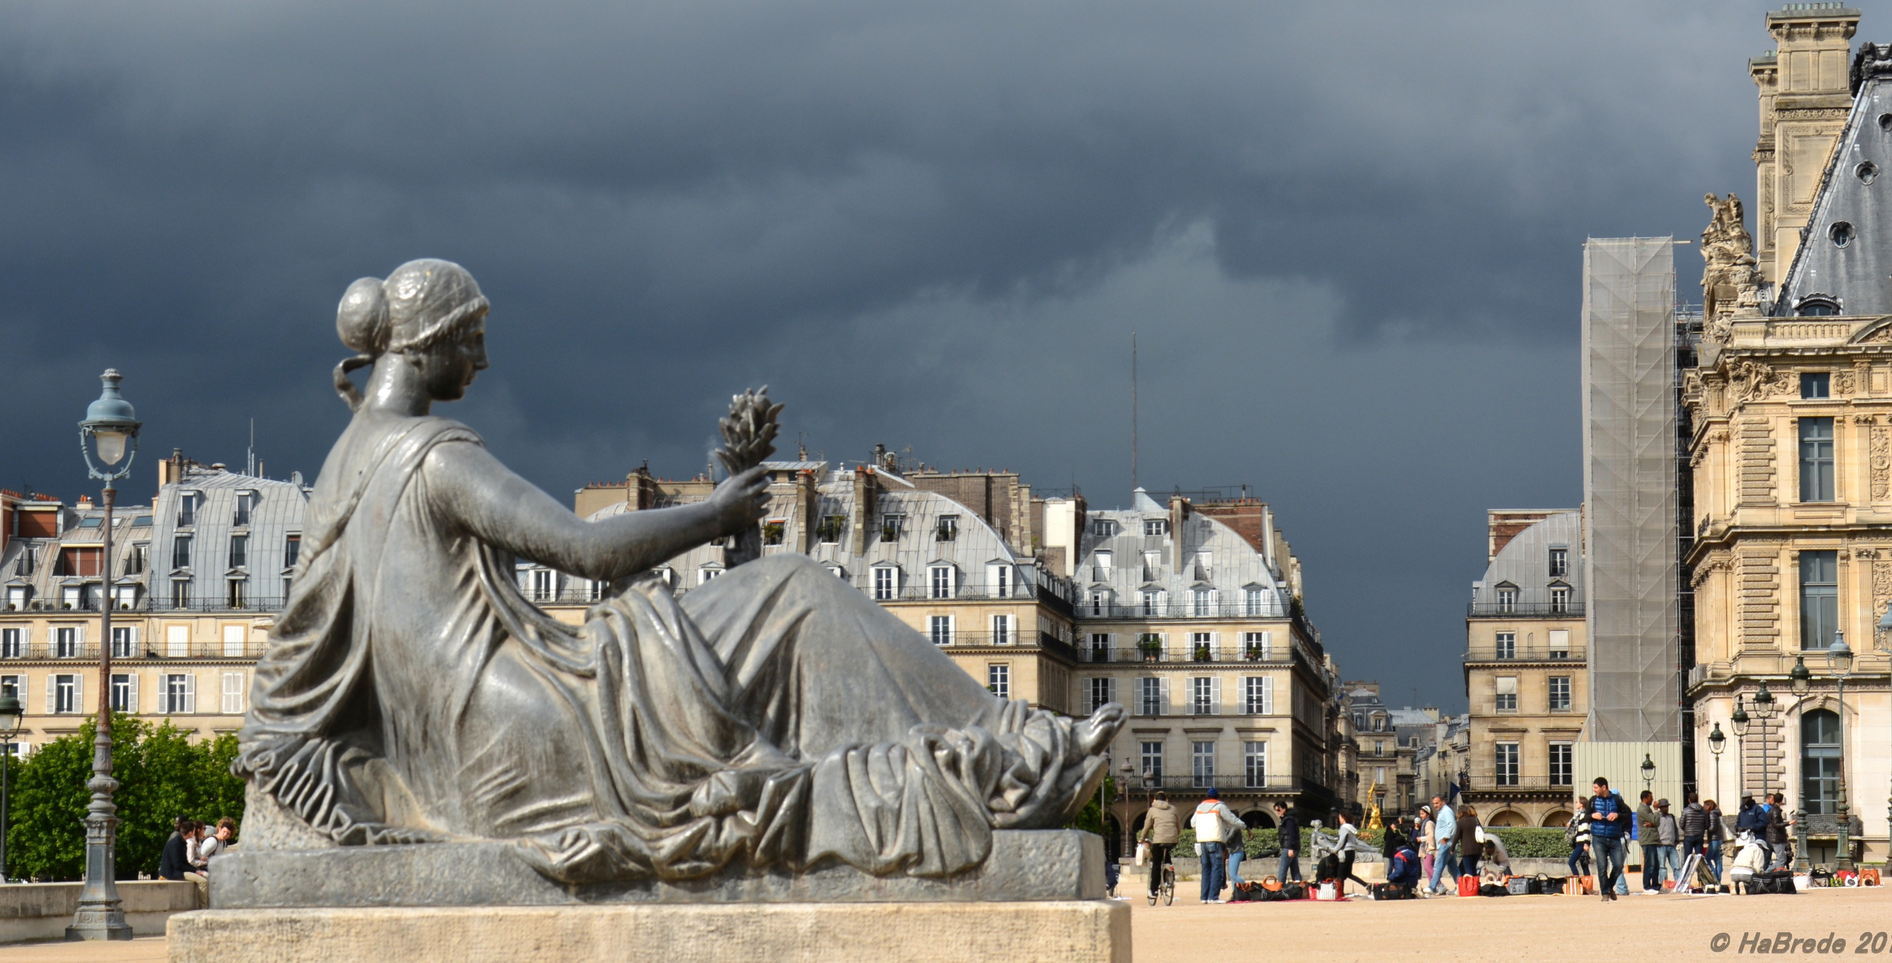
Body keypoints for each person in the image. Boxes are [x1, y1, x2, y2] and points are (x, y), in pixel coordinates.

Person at [234, 262, 1124, 885]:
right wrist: (717, 513)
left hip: (470, 738)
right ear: (426, 345)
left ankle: (1003, 746)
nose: (484, 359)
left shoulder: (350, 459)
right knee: (798, 593)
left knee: (772, 603)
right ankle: (1015, 748)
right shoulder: (433, 456)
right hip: (524, 726)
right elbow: (582, 551)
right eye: (472, 338)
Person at [1190, 788, 1245, 904]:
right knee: (1216, 868)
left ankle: (1204, 897)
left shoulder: (1199, 807)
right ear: (1217, 797)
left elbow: (1192, 823)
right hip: (1215, 839)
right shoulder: (1219, 806)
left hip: (1202, 841)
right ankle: (1213, 897)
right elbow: (1232, 819)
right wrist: (1244, 826)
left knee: (1206, 869)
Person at [1587, 777, 1630, 902]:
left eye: (1596, 787)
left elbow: (1626, 815)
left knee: (1618, 865)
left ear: (1603, 787)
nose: (1594, 790)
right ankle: (1605, 893)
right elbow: (1585, 818)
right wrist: (1592, 815)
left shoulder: (1617, 799)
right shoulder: (1593, 800)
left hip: (1614, 837)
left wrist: (1617, 815)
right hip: (1598, 837)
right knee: (1602, 866)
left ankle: (1610, 886)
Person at [1141, 792, 1179, 904]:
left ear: (1154, 800)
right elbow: (1178, 826)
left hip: (1159, 840)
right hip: (1172, 839)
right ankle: (1170, 877)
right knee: (1166, 855)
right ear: (1166, 799)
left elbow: (1147, 826)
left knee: (1156, 863)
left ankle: (1153, 891)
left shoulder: (1152, 810)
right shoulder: (1173, 808)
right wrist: (1176, 837)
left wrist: (1142, 838)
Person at [1427, 795, 1458, 896]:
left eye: (1437, 803)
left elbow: (1452, 825)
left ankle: (1432, 887)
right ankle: (1461, 886)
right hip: (1446, 844)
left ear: (1443, 802)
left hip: (1446, 844)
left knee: (1438, 865)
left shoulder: (1446, 811)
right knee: (1452, 867)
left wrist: (1446, 837)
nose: (1435, 805)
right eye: (1434, 803)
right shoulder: (1442, 812)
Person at [1332, 809, 1369, 895]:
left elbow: (1341, 841)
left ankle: (1340, 892)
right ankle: (1366, 885)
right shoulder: (1351, 828)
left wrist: (1335, 850)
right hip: (1351, 852)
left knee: (1340, 874)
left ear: (1343, 818)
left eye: (1340, 817)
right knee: (1348, 874)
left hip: (1345, 852)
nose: (1339, 819)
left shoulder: (1344, 828)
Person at [1635, 790, 1659, 893]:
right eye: (1650, 797)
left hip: (1651, 839)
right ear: (1645, 798)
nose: (1652, 799)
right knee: (1650, 863)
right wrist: (1656, 810)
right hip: (1647, 839)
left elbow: (1655, 822)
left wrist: (1653, 823)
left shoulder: (1647, 809)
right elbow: (1656, 821)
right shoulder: (1643, 810)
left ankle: (1655, 885)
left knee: (1655, 864)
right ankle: (1647, 886)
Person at [1653, 798, 1680, 891]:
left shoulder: (1671, 817)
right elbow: (1654, 830)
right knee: (1662, 867)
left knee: (1676, 866)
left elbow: (1675, 829)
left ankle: (1679, 883)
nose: (1666, 809)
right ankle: (1664, 884)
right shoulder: (1657, 817)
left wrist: (1676, 839)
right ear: (1660, 808)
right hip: (1661, 845)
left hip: (1671, 845)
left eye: (1667, 807)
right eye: (1664, 807)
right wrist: (1657, 841)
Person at [158, 816, 194, 881]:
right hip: (172, 873)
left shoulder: (180, 839)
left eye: (177, 823)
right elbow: (177, 863)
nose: (175, 825)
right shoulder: (176, 838)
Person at [1454, 804, 1483, 883]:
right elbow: (1481, 831)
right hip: (1478, 849)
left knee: (1469, 870)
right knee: (1473, 868)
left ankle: (1471, 888)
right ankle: (1476, 886)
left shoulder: (1461, 822)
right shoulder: (1475, 819)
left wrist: (1452, 848)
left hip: (1467, 850)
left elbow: (1457, 836)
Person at [1680, 791, 1708, 869]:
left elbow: (1681, 823)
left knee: (1687, 858)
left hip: (1688, 835)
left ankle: (1686, 878)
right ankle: (1700, 878)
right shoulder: (1703, 811)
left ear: (1689, 800)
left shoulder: (1686, 810)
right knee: (1699, 858)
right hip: (1699, 835)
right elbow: (1707, 825)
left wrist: (1686, 830)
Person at [1703, 799, 1728, 885]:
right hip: (1718, 838)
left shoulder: (1712, 814)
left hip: (1714, 839)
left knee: (1707, 859)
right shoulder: (1716, 813)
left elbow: (1712, 828)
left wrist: (1706, 828)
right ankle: (1718, 880)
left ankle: (1715, 878)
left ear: (1708, 806)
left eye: (1705, 806)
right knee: (1717, 860)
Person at [1275, 801, 1301, 883]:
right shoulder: (1291, 818)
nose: (1277, 812)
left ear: (1284, 809)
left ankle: (1279, 888)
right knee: (1295, 869)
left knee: (1282, 870)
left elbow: (1291, 834)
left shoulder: (1288, 819)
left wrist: (1290, 848)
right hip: (1293, 847)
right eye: (1276, 810)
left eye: (1279, 810)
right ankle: (1299, 887)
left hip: (1288, 847)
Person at [1564, 803, 1592, 880]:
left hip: (1582, 842)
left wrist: (1586, 843)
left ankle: (1577, 881)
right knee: (1584, 864)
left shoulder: (1583, 815)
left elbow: (1586, 829)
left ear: (1582, 804)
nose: (1575, 804)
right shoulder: (1578, 816)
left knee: (1571, 862)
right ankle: (1587, 885)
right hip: (1579, 842)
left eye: (1577, 802)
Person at [1766, 793, 1792, 871]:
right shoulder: (1775, 810)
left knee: (1782, 859)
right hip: (1776, 838)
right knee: (1781, 860)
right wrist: (1788, 823)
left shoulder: (1772, 809)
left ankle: (1767, 873)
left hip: (1773, 837)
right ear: (1781, 801)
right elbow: (1776, 825)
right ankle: (1768, 873)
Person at [1224, 811, 1247, 890]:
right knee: (1232, 874)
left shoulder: (1235, 827)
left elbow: (1227, 838)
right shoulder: (1231, 826)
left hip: (1237, 852)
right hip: (1233, 852)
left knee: (1233, 875)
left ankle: (1246, 885)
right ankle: (1235, 892)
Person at [1415, 806, 1436, 892]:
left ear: (1428, 814)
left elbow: (1431, 836)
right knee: (1427, 868)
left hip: (1430, 848)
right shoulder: (1425, 823)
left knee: (1428, 867)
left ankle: (1438, 884)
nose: (1421, 816)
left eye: (1422, 814)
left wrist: (1421, 839)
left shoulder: (1429, 823)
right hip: (1427, 847)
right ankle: (1432, 885)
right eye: (1420, 814)